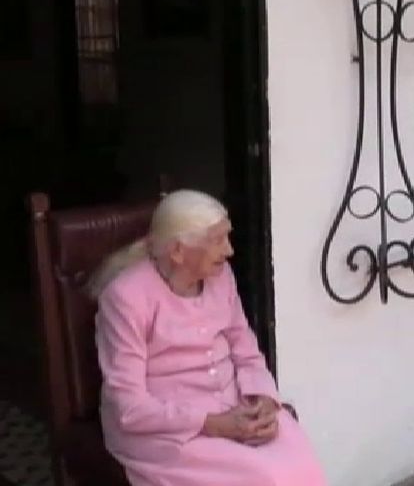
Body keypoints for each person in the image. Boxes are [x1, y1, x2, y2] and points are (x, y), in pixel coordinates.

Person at [90, 190, 328, 486]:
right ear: (178, 251)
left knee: (302, 464)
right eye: (218, 240)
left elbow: (245, 350)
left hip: (233, 407)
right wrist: (213, 425)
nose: (229, 250)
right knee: (266, 478)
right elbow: (130, 406)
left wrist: (264, 399)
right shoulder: (126, 298)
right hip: (165, 429)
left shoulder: (221, 275)